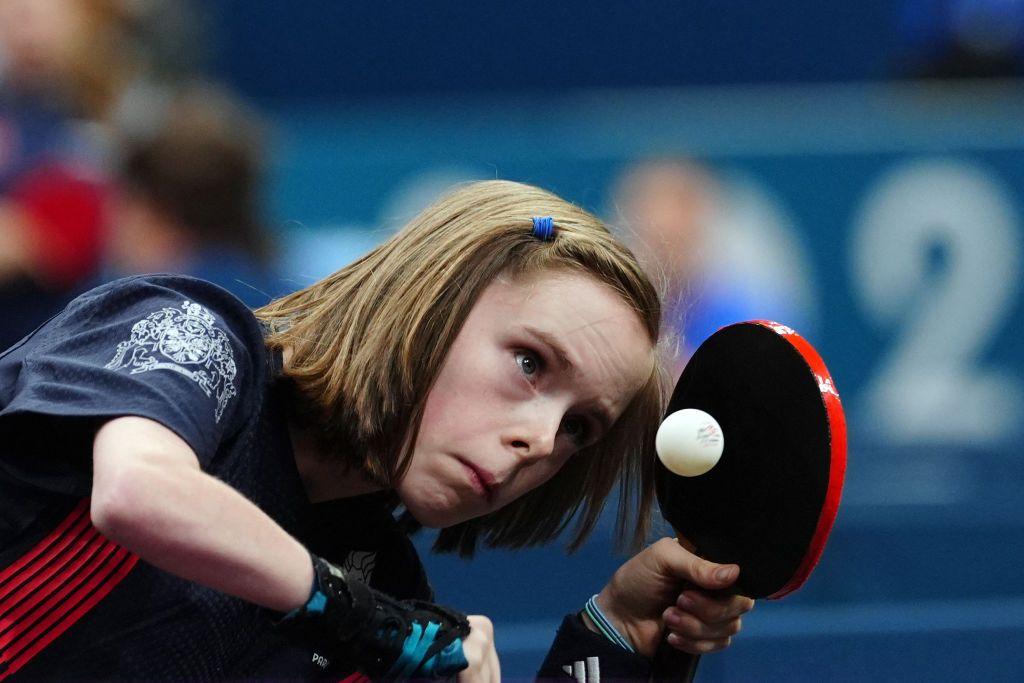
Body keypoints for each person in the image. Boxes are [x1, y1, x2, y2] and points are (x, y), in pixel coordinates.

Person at [0, 180, 753, 681]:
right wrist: (372, 623)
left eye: (579, 428)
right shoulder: (189, 336)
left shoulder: (380, 586)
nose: (541, 440)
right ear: (432, 302)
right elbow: (139, 492)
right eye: (530, 362)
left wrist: (613, 637)